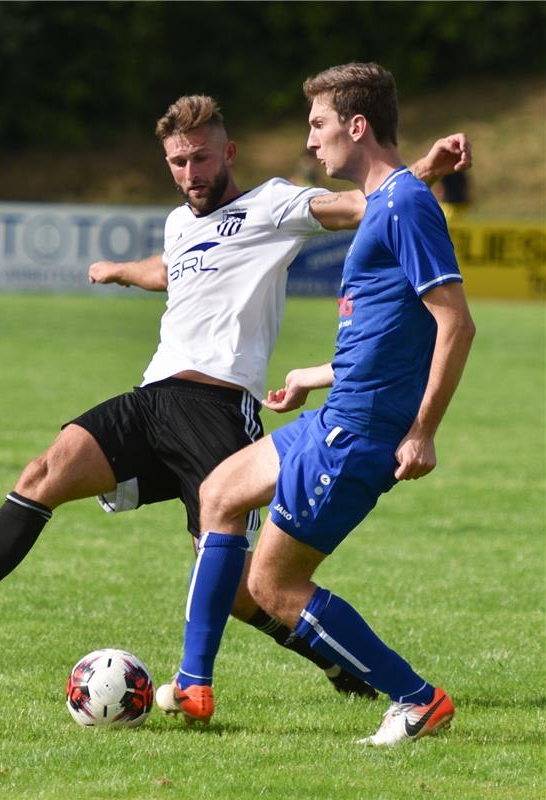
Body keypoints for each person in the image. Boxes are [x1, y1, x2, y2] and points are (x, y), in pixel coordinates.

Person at [0, 95, 468, 705]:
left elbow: (358, 204)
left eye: (201, 159)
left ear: (227, 153)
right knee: (44, 470)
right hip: (152, 399)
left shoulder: (273, 204)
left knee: (244, 591)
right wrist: (119, 270)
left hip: (217, 410)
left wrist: (422, 167)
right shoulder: (179, 223)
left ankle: (342, 664)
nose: (190, 173)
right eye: (177, 162)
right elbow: (171, 267)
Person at [156, 65, 475, 749]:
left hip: (360, 433)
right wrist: (315, 373)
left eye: (318, 125)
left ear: (356, 127)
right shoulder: (392, 201)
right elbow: (392, 330)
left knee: (273, 585)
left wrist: (422, 432)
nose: (311, 142)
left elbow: (454, 324)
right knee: (220, 492)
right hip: (333, 413)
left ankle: (417, 699)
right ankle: (193, 683)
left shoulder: (405, 207)